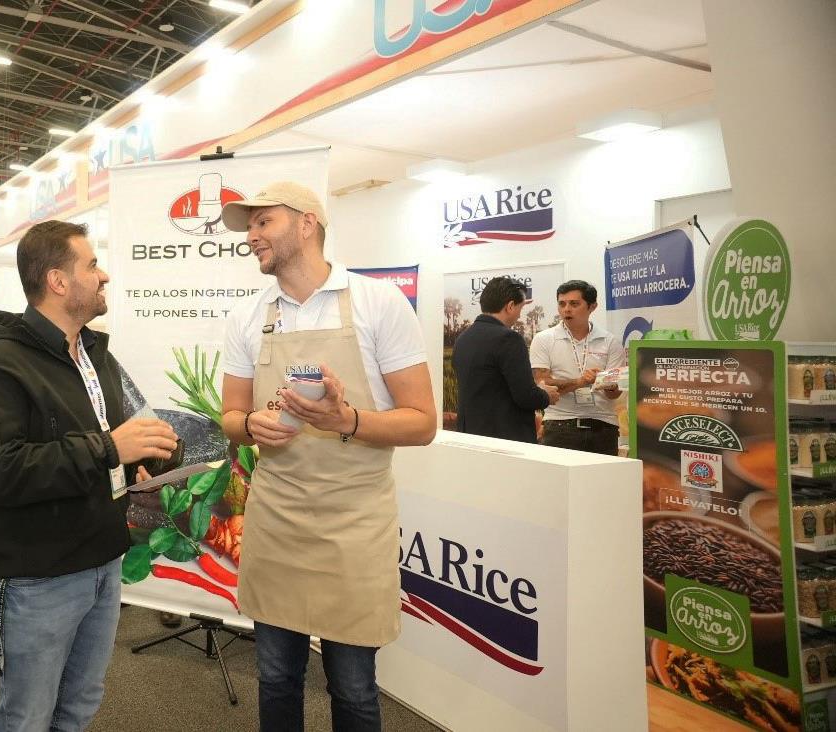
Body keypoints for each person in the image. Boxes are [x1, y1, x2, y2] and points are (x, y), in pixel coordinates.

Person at [218, 182, 437, 732]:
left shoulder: (377, 303)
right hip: (278, 516)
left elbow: (423, 421)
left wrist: (349, 421)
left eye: (263, 222)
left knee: (354, 687)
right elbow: (229, 416)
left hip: (354, 519)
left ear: (307, 223)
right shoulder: (249, 316)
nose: (251, 236)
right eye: (250, 226)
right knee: (275, 677)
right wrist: (250, 426)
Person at [0, 220, 177, 729]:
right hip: (38, 575)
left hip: (102, 560)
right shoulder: (2, 363)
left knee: (77, 708)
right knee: (27, 718)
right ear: (58, 281)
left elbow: (104, 440)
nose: (104, 276)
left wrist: (136, 454)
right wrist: (106, 449)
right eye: (92, 265)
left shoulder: (95, 353)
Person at [452, 277, 558, 442]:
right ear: (510, 306)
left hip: (470, 436)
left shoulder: (463, 338)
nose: (519, 314)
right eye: (520, 308)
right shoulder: (509, 338)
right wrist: (545, 394)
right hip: (505, 439)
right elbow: (525, 396)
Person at [529, 280, 627, 455]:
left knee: (602, 482)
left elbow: (614, 395)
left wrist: (607, 382)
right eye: (562, 304)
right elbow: (542, 384)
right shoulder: (544, 339)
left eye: (574, 304)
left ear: (592, 307)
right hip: (560, 424)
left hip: (603, 426)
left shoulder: (610, 341)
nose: (566, 309)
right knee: (556, 482)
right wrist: (580, 381)